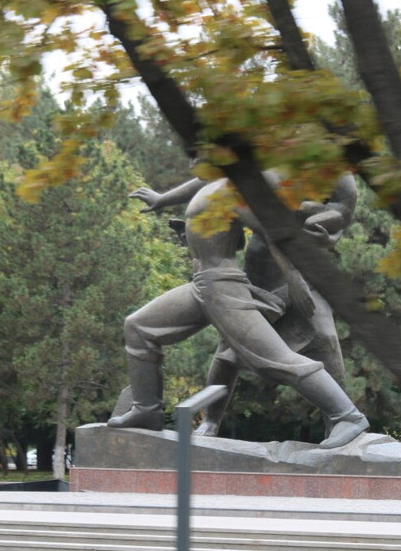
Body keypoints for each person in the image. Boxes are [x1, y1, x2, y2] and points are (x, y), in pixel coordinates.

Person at [110, 173, 368, 450]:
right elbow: (204, 178)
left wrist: (294, 274)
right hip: (206, 283)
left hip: (225, 286)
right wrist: (162, 199)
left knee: (279, 358)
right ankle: (147, 411)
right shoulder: (221, 180)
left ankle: (346, 417)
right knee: (138, 327)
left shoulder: (235, 191)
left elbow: (273, 229)